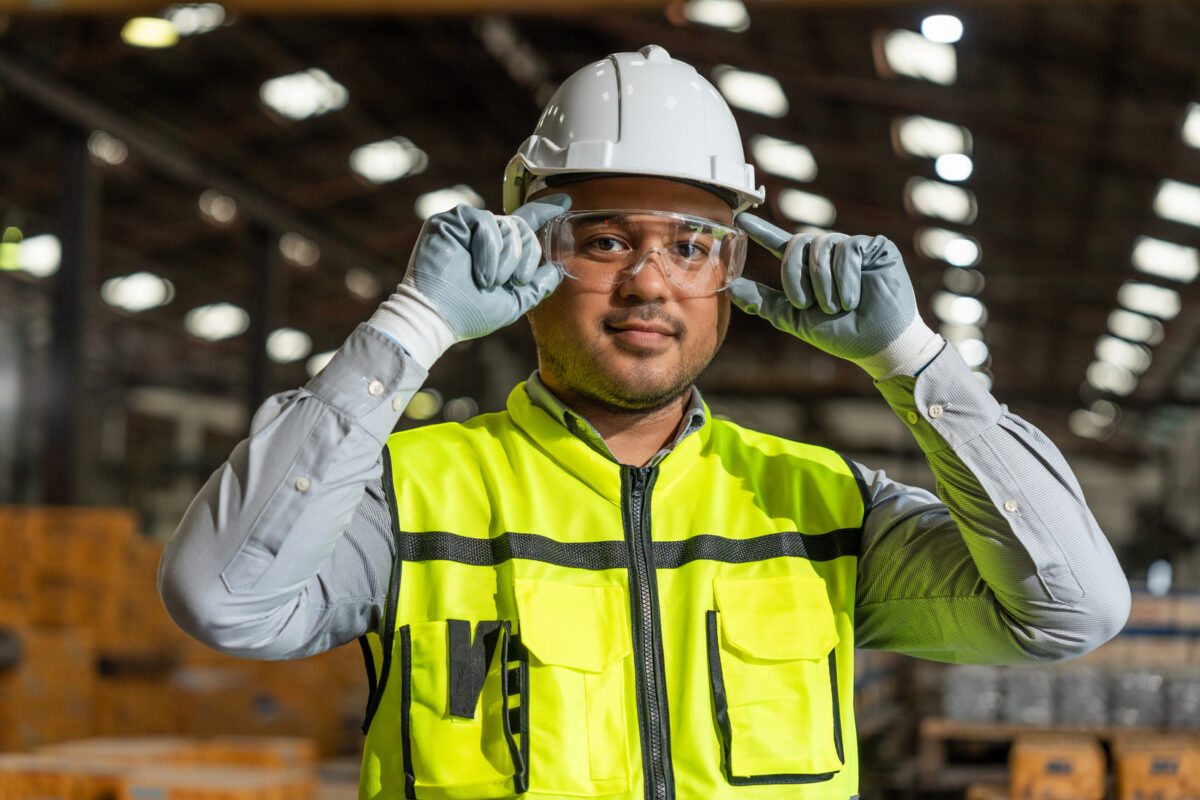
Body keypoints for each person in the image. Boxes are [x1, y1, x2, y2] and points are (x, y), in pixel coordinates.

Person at [159, 45, 1130, 800]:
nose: (650, 282)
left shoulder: (823, 506)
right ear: (529, 257)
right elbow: (223, 597)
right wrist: (412, 325)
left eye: (694, 244)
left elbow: (1071, 609)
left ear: (729, 275)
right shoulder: (412, 497)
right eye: (608, 240)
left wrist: (911, 357)